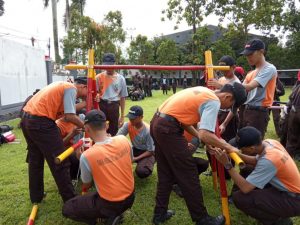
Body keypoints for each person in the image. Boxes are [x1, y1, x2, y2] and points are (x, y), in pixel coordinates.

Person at [150, 82, 247, 225]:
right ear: (227, 96)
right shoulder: (213, 102)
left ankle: (159, 214)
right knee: (189, 174)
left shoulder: (204, 91)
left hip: (158, 122)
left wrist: (206, 141)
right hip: (168, 129)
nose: (227, 110)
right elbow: (205, 134)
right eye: (230, 106)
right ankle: (202, 219)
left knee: (165, 172)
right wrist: (229, 147)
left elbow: (184, 122)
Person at [213, 126, 300, 225]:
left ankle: (279, 221)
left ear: (251, 148)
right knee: (248, 170)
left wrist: (227, 165)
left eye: (241, 148)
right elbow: (255, 161)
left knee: (240, 198)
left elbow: (245, 188)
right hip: (288, 191)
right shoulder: (269, 143)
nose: (239, 150)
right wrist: (234, 154)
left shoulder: (269, 161)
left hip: (294, 200)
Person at [20, 77, 88, 203]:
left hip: (26, 119)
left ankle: (36, 196)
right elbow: (70, 115)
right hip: (41, 122)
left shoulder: (62, 86)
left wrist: (85, 103)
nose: (87, 96)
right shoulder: (71, 89)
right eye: (88, 92)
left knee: (36, 160)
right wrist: (87, 127)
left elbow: (69, 110)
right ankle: (71, 200)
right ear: (83, 87)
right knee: (61, 161)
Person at [63, 110, 135, 225]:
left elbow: (87, 184)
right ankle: (114, 214)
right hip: (131, 197)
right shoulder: (123, 139)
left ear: (86, 129)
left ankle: (103, 218)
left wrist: (82, 159)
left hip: (110, 203)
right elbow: (130, 161)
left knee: (67, 208)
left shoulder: (87, 155)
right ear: (106, 125)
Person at [240, 39, 277, 138]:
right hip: (247, 110)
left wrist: (224, 85)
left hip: (258, 113)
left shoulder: (269, 69)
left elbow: (249, 86)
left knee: (253, 146)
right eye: (247, 55)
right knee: (244, 142)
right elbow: (241, 90)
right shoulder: (251, 73)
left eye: (251, 54)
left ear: (261, 52)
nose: (248, 58)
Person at [117, 106, 155, 179]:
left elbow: (151, 151)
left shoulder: (148, 130)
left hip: (148, 153)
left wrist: (135, 158)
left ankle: (148, 164)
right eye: (130, 117)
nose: (131, 120)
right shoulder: (128, 125)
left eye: (133, 118)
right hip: (135, 149)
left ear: (141, 117)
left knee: (142, 172)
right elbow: (117, 138)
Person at [96, 53, 128, 136]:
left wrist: (122, 116)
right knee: (100, 130)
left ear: (115, 64)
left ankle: (113, 147)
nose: (108, 68)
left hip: (114, 106)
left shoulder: (121, 79)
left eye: (110, 65)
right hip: (102, 105)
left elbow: (122, 98)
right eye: (106, 65)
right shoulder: (98, 77)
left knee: (114, 130)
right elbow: (95, 94)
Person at [285, 71, 300, 159]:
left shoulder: (296, 86)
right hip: (295, 111)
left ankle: (289, 154)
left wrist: (288, 106)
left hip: (294, 111)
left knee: (292, 136)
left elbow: (290, 98)